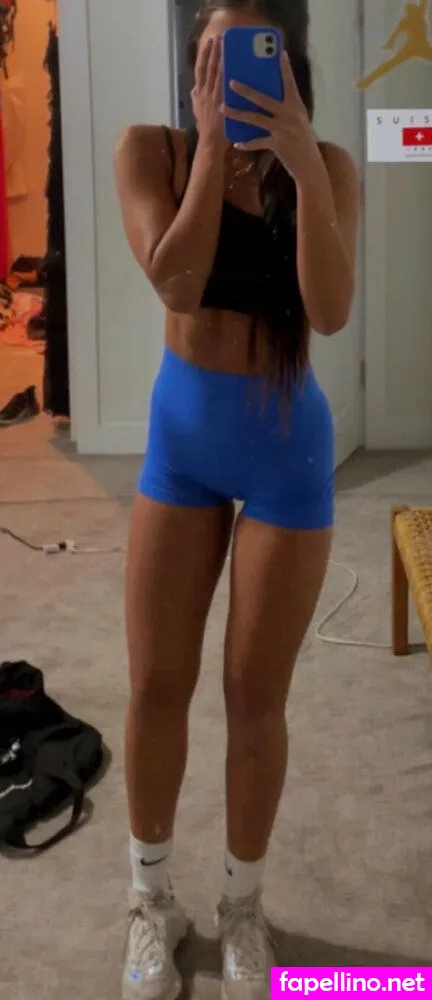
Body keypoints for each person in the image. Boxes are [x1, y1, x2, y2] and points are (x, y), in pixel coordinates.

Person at [115, 1, 359, 998]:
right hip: (183, 452)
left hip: (287, 456)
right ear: (193, 65)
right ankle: (150, 901)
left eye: (253, 53)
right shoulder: (155, 151)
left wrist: (300, 163)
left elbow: (330, 312)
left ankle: (242, 907)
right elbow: (176, 283)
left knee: (256, 697)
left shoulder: (327, 166)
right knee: (155, 684)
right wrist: (215, 147)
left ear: (287, 64)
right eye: (214, 53)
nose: (232, 70)